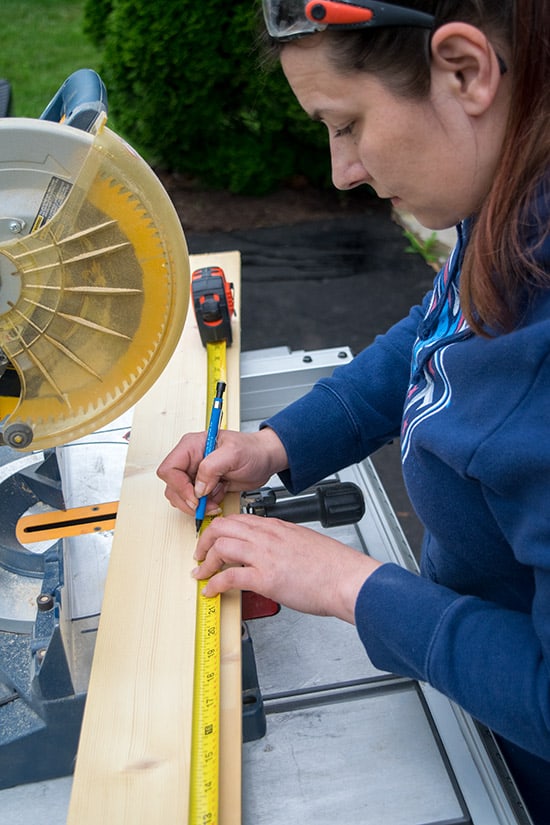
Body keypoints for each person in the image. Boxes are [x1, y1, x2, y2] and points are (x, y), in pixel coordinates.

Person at [157, 1, 550, 820]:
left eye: (346, 124)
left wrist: (346, 583)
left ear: (465, 71)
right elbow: (438, 333)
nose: (341, 171)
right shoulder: (513, 203)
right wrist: (276, 443)